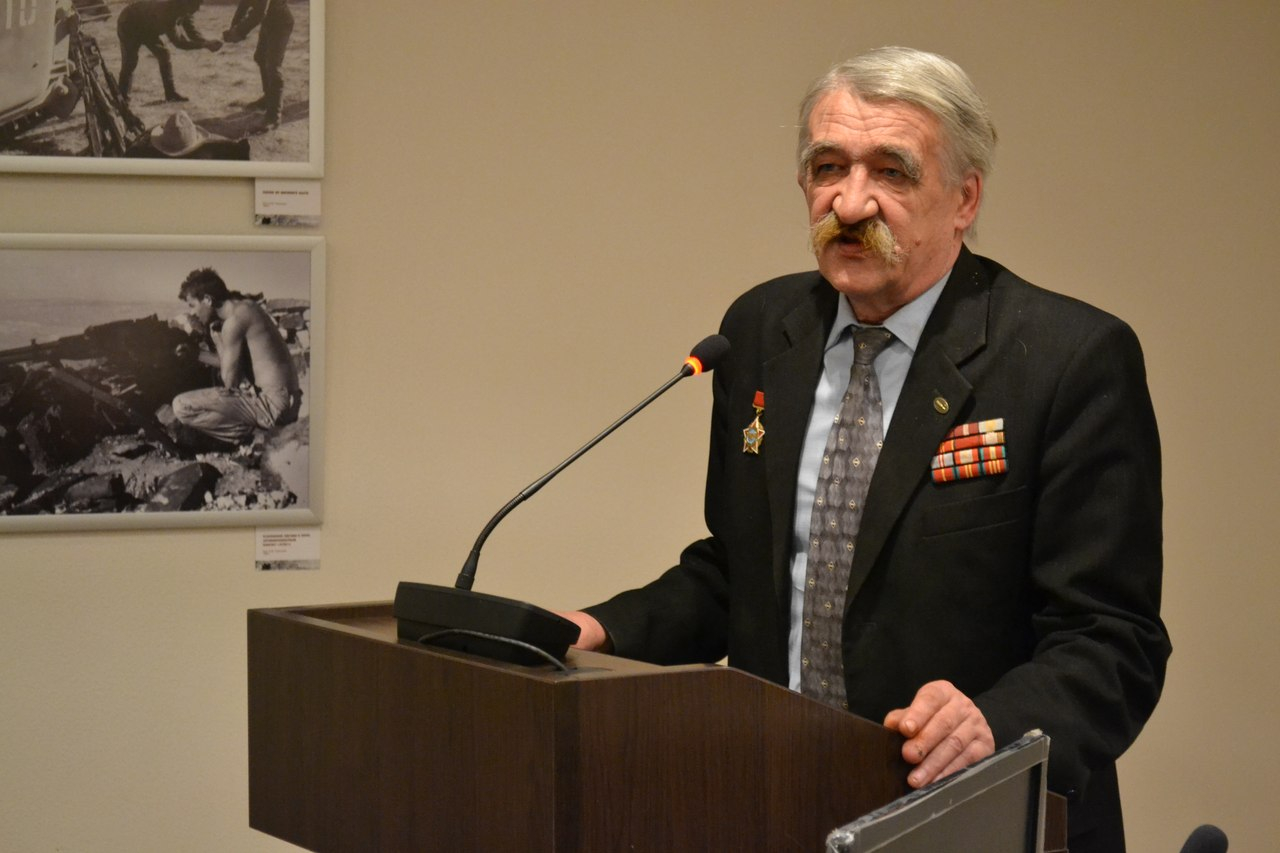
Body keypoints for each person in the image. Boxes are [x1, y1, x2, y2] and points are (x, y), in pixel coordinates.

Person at [560, 47, 1169, 853]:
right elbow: (741, 572)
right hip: (784, 800)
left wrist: (992, 722)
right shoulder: (760, 331)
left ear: (964, 198)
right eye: (828, 168)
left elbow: (1113, 640)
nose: (849, 202)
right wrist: (597, 629)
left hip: (973, 814)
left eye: (891, 171)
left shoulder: (1066, 360)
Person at [170, 268, 301, 447]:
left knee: (181, 405)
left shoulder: (233, 323)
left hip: (272, 406)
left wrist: (218, 339)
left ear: (208, 299)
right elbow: (231, 364)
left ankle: (253, 439)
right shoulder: (247, 308)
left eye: (192, 305)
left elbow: (230, 382)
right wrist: (196, 354)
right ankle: (255, 436)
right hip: (289, 403)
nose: (192, 313)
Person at [116, 0, 222, 104]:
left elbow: (192, 32)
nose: (198, 8)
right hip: (128, 23)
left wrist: (207, 42)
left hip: (147, 26)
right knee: (130, 62)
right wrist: (204, 45)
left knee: (164, 55)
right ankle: (122, 98)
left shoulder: (185, 9)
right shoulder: (169, 12)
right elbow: (179, 43)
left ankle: (170, 94)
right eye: (196, 4)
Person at [221, 0, 294, 130]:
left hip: (281, 24)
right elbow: (244, 4)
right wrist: (233, 28)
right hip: (268, 23)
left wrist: (239, 32)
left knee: (273, 66)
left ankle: (274, 116)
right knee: (260, 57)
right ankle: (268, 98)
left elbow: (260, 12)